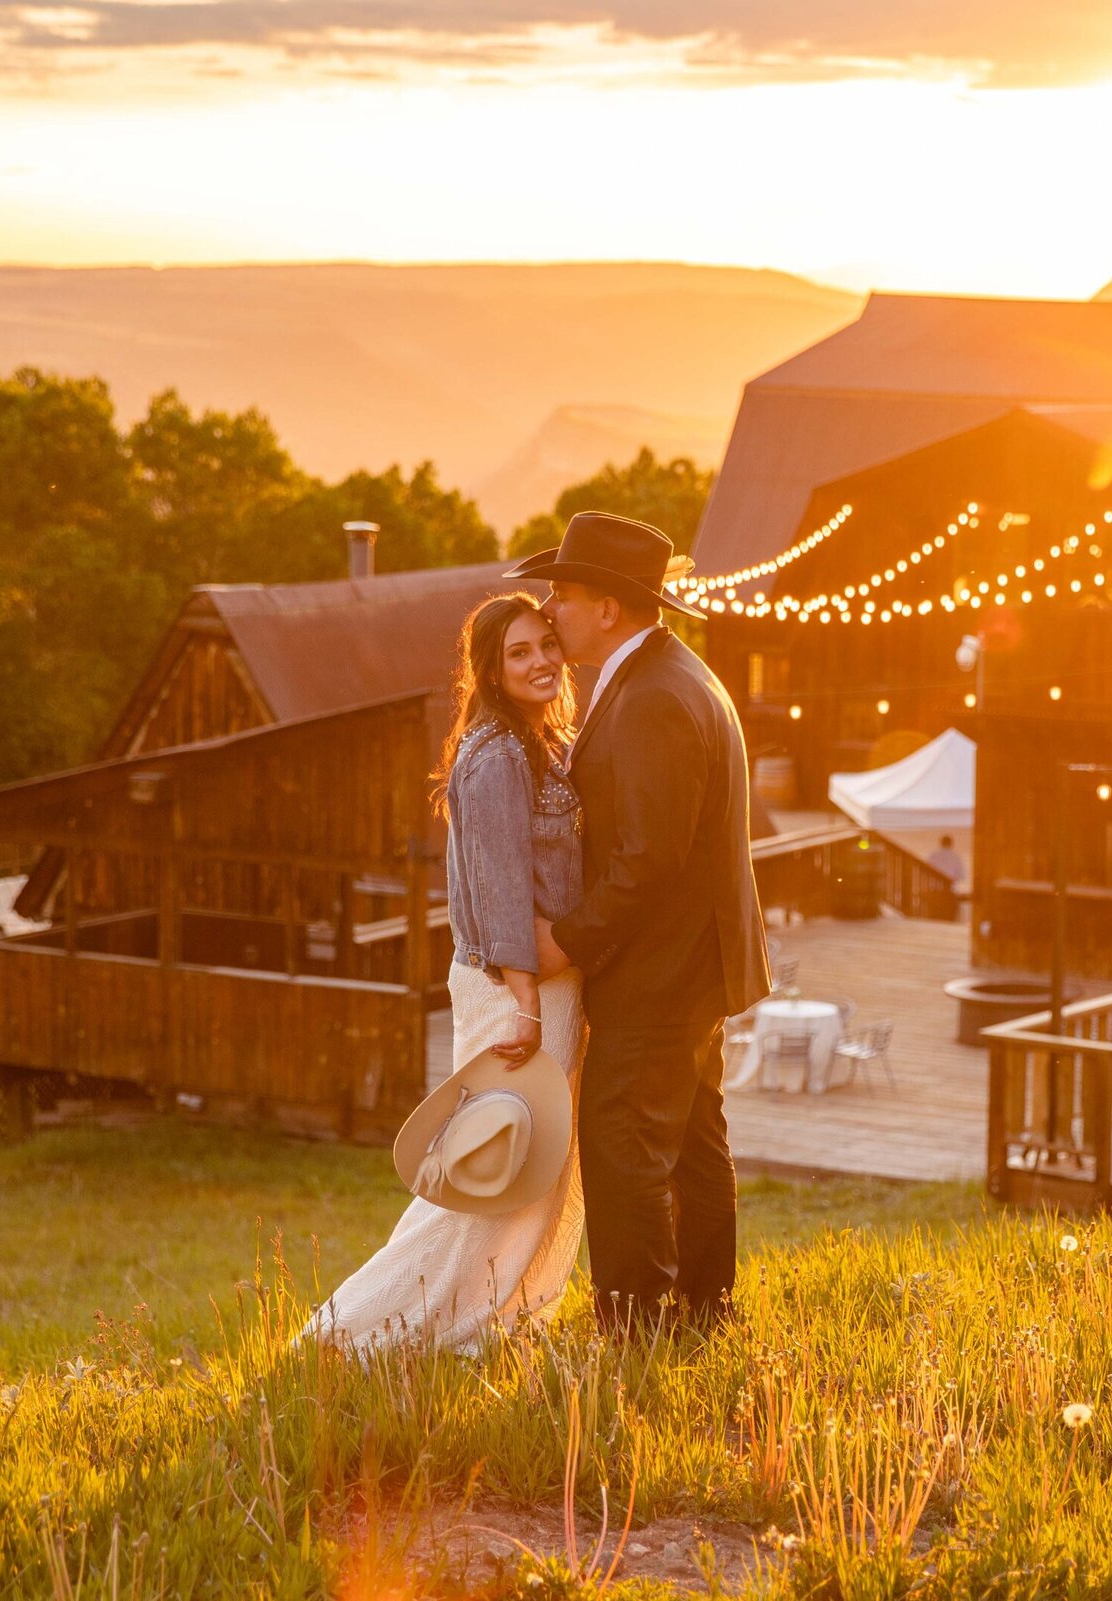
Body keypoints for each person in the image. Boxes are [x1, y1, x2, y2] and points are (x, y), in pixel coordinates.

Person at [308, 593, 588, 1350]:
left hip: (548, 983)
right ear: (491, 671)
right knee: (488, 1167)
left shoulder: (541, 740)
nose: (540, 662)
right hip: (518, 989)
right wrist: (527, 1003)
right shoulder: (497, 752)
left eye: (546, 645)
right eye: (519, 653)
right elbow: (499, 887)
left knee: (533, 1165)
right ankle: (357, 1332)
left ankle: (487, 1320)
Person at [516, 511, 770, 1334]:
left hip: (662, 971)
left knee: (621, 1136)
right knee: (695, 1139)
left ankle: (635, 1326)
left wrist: (567, 938)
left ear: (609, 609)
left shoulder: (656, 695)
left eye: (562, 594)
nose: (549, 610)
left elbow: (646, 860)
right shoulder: (665, 673)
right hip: (692, 966)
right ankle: (705, 1309)